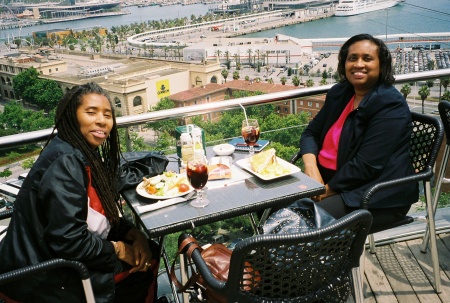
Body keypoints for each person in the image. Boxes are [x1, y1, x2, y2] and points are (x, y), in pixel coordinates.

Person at [0, 82, 159, 303]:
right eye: (91, 112)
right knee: (145, 265)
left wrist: (133, 234)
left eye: (107, 115)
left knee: (147, 247)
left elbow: (96, 215)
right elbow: (70, 241)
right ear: (72, 116)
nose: (102, 121)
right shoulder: (66, 163)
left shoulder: (78, 153)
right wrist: (119, 248)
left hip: (49, 257)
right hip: (44, 275)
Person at [299, 34, 418, 229]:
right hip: (325, 180)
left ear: (381, 66)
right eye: (352, 58)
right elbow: (310, 133)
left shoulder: (390, 105)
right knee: (269, 202)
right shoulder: (341, 93)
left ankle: (333, 259)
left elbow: (366, 165)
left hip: (373, 194)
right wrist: (311, 168)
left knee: (302, 220)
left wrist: (325, 191)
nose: (358, 64)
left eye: (367, 58)